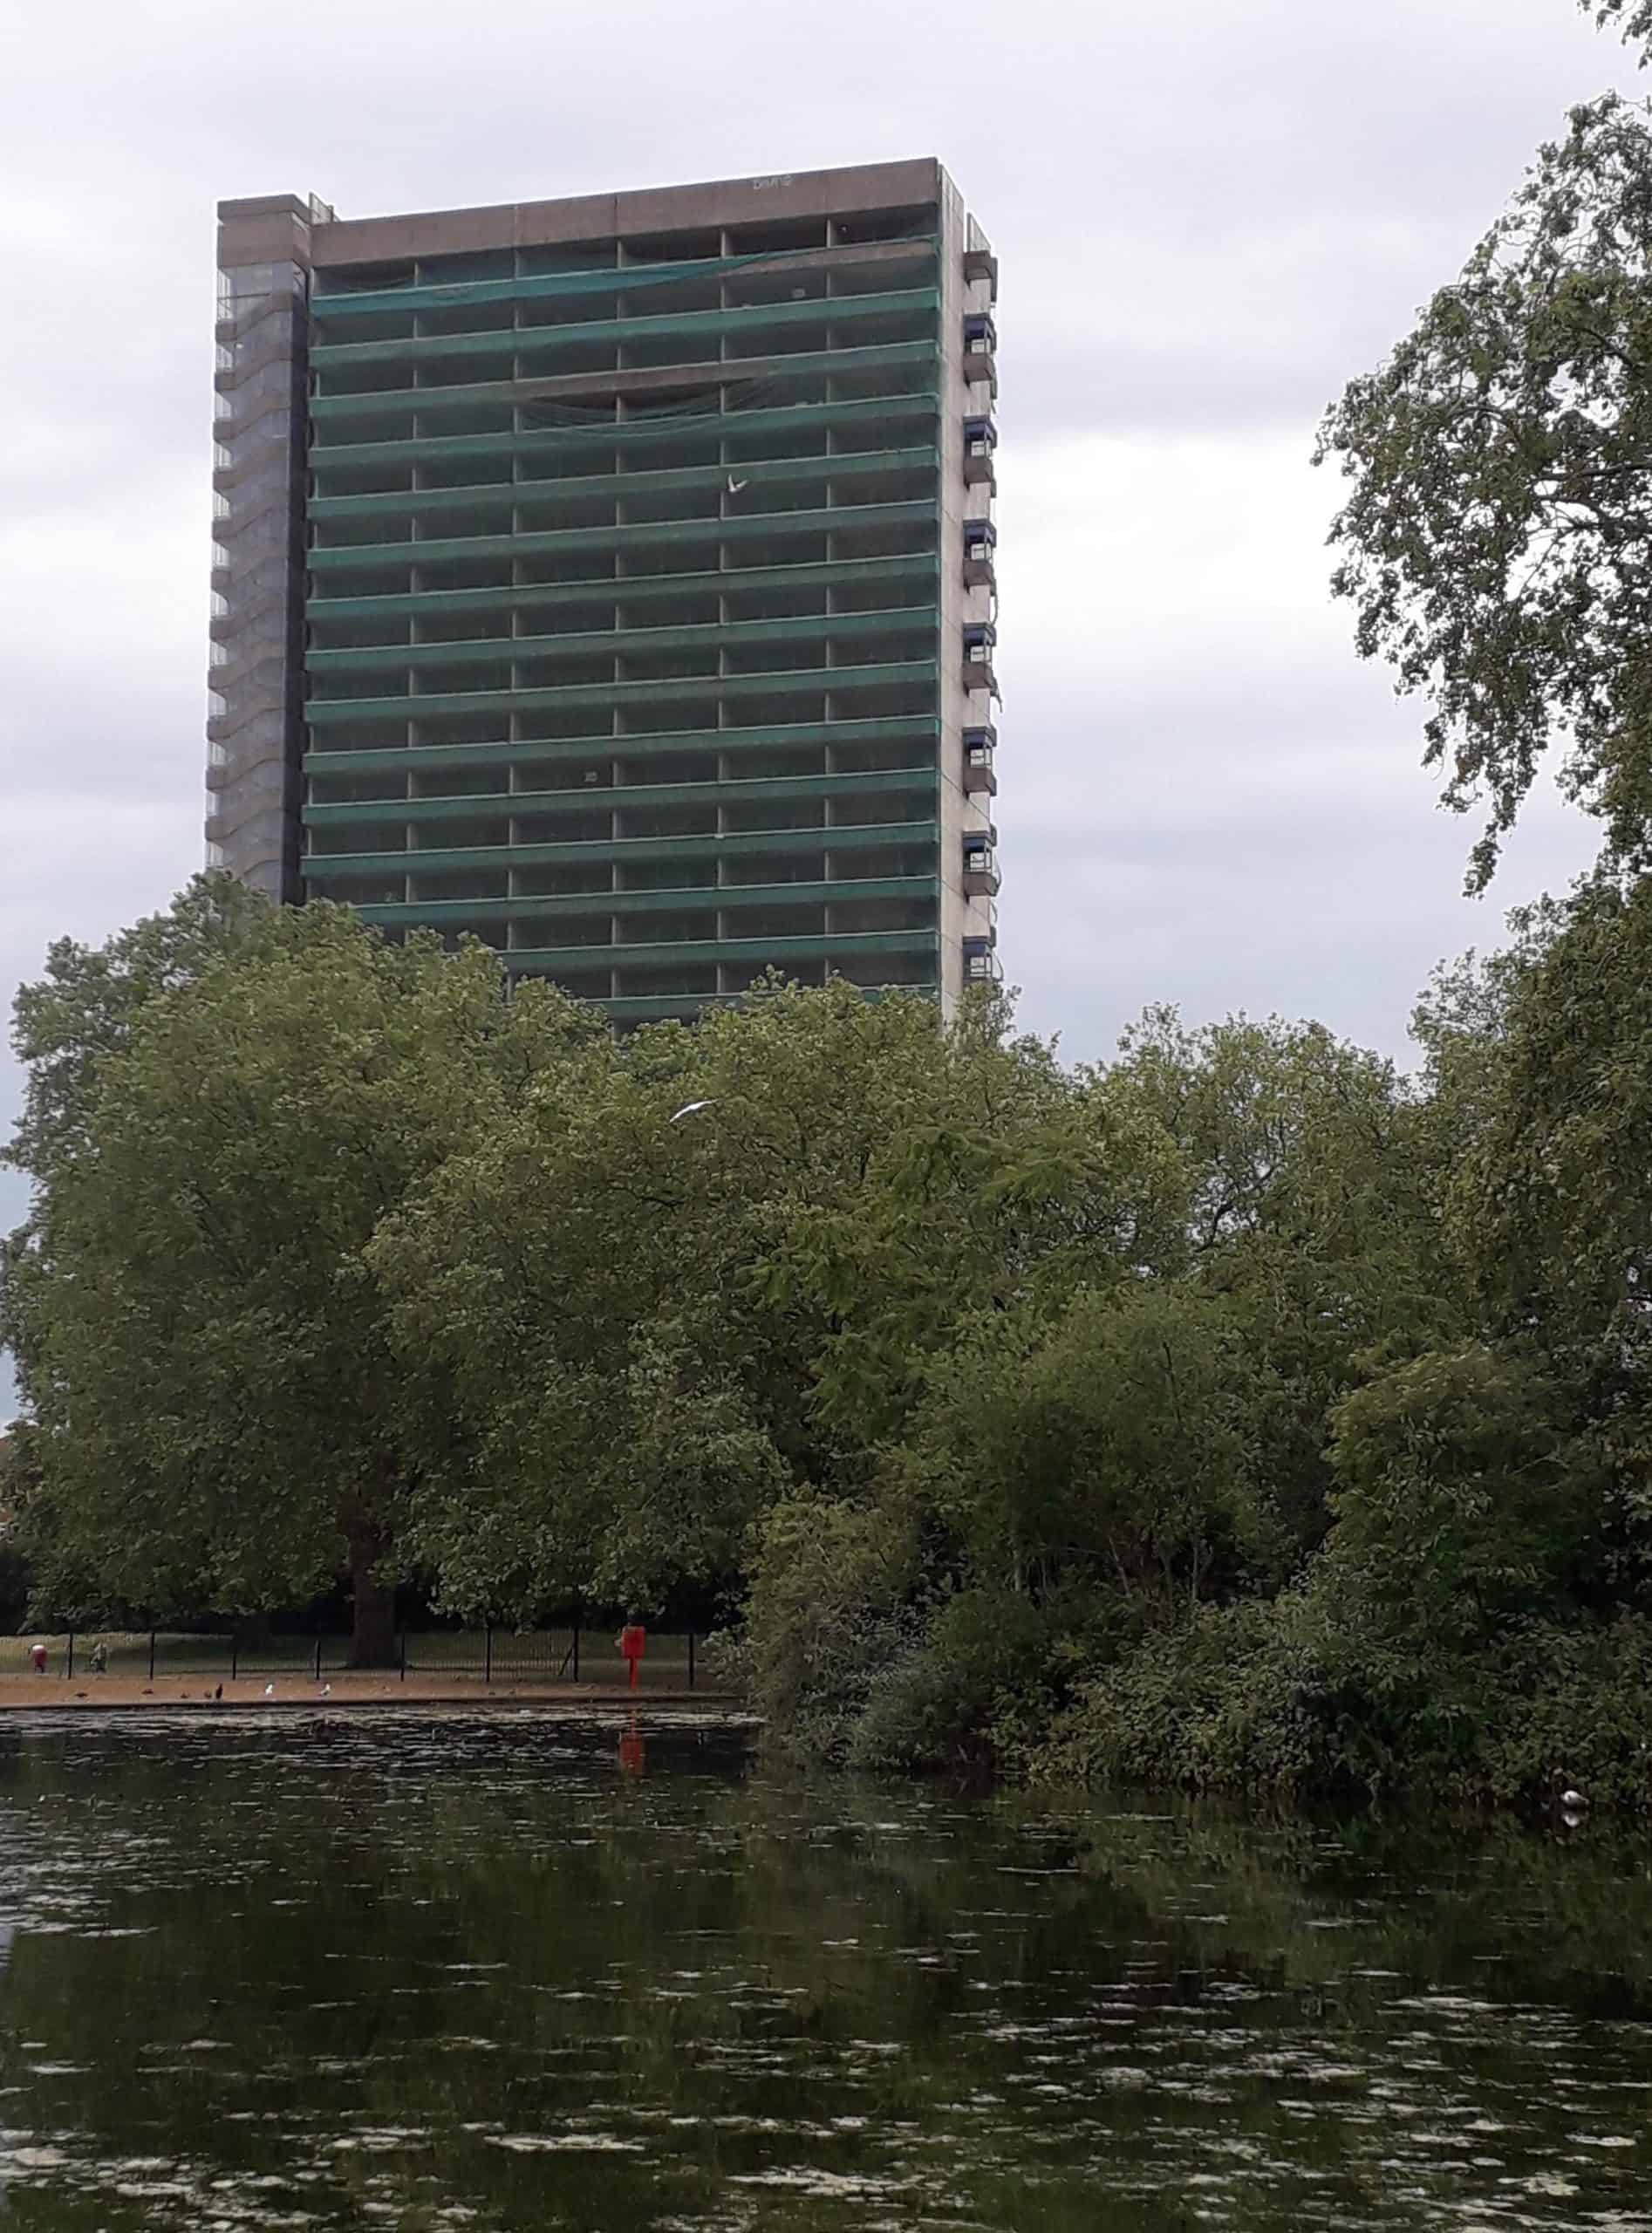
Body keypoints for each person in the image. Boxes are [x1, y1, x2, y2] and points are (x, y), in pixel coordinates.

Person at [616, 1616, 647, 1691]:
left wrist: (619, 1642)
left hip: (631, 1650)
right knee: (633, 1667)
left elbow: (623, 1639)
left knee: (633, 1668)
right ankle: (632, 1686)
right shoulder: (640, 1630)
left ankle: (633, 1686)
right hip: (635, 1650)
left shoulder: (627, 1630)